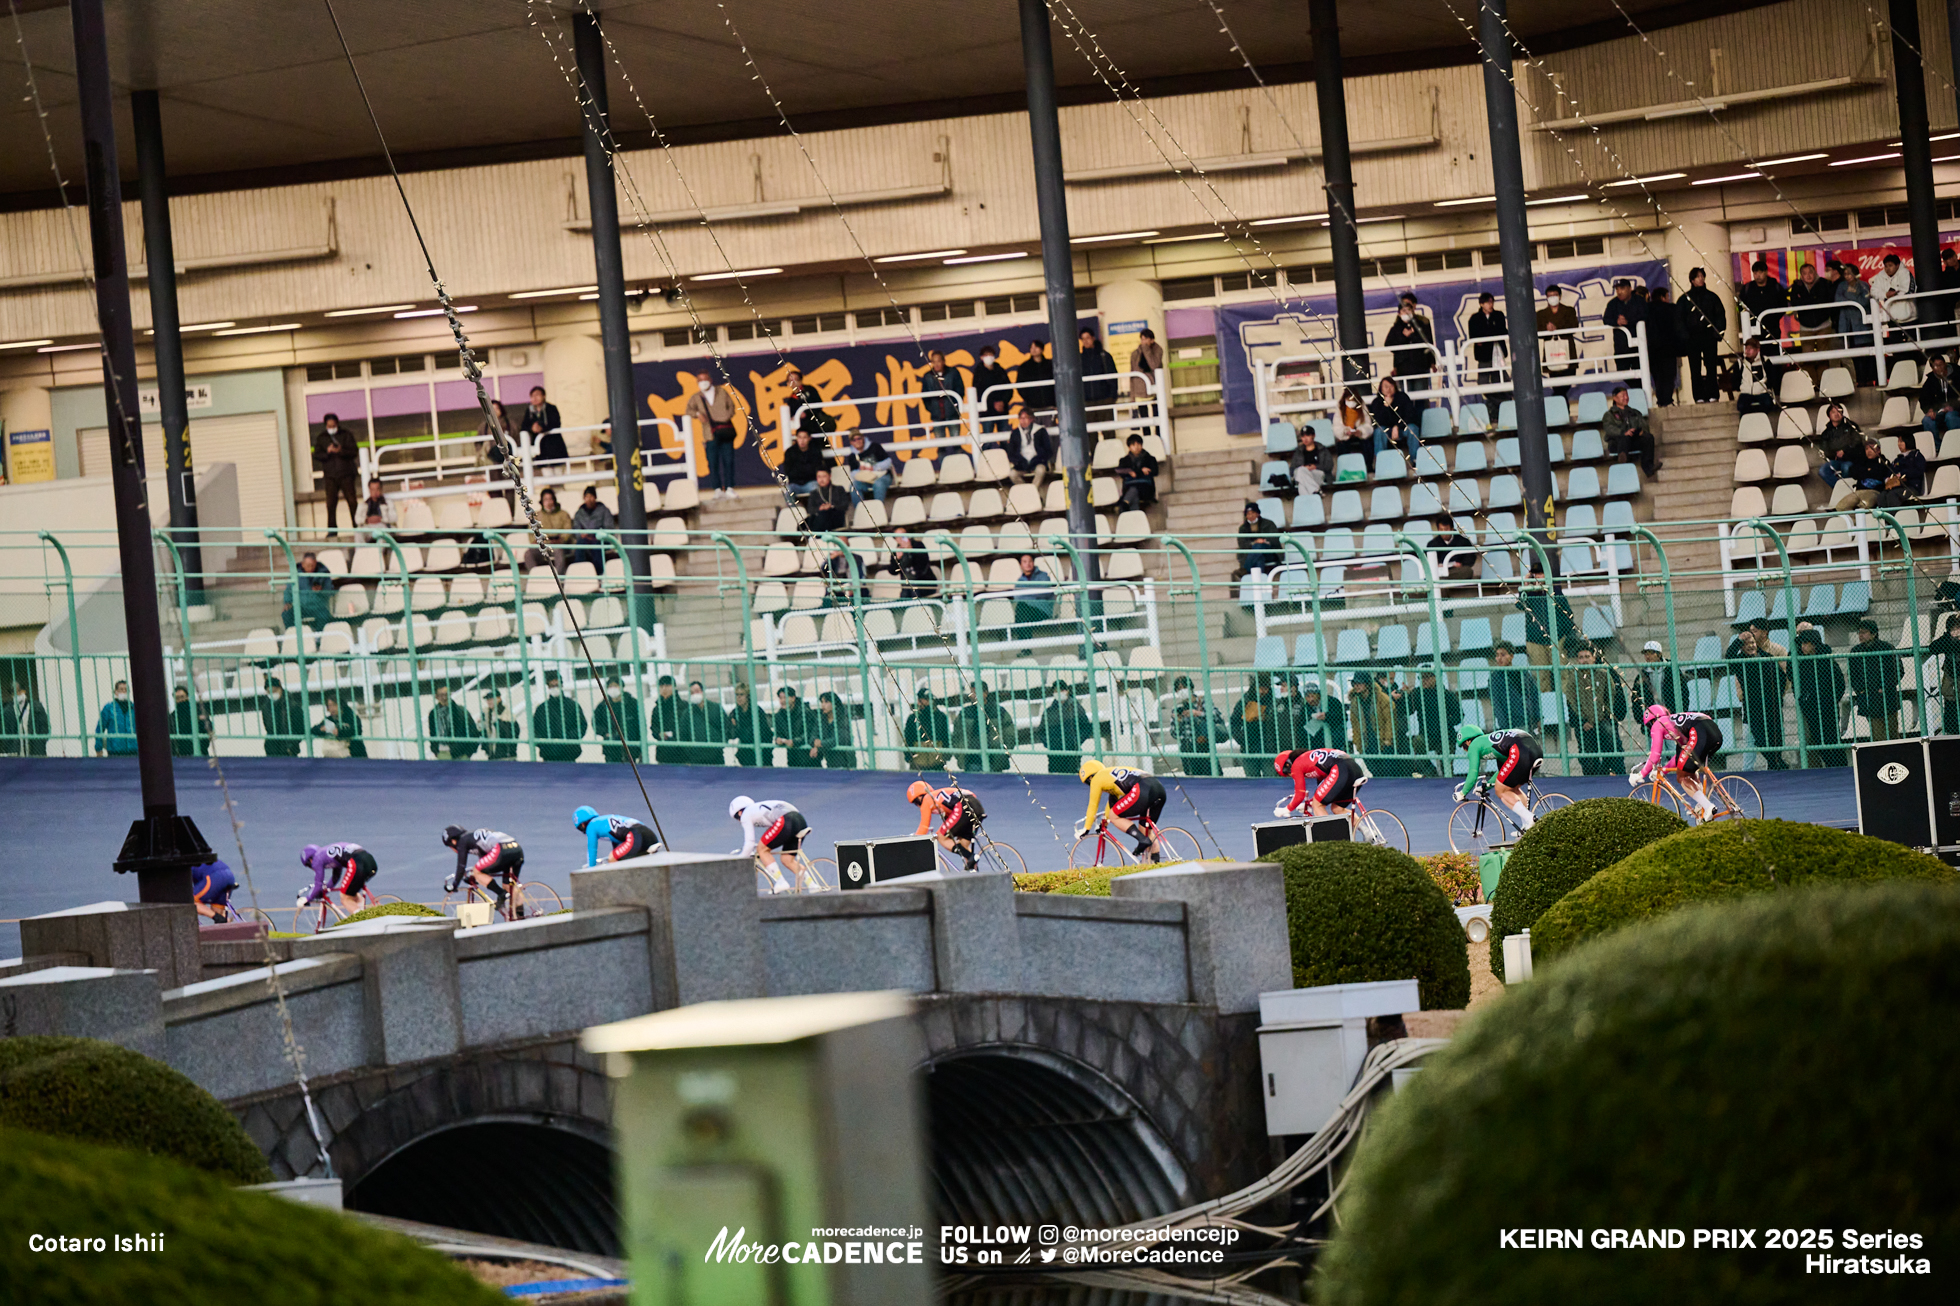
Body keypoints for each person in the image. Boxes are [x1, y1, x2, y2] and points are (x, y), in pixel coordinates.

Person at [1630, 705, 1723, 820]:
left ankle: (1708, 806)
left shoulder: (1658, 724)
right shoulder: (1674, 724)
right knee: (1686, 768)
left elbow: (1655, 755)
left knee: (1682, 777)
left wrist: (1640, 774)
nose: (1651, 729)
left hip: (1699, 731)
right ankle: (1701, 803)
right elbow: (1680, 756)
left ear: (1652, 721)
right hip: (1713, 731)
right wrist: (1664, 770)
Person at [1456, 723, 1543, 832]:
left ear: (1468, 742)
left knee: (1500, 791)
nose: (1465, 750)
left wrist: (1462, 793)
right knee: (1511, 788)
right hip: (1535, 750)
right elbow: (1503, 772)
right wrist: (1485, 788)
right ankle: (1527, 827)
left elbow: (1473, 773)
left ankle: (1529, 818)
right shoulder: (1494, 745)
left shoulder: (1474, 745)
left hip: (1519, 750)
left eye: (1463, 747)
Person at [1078, 759, 1168, 862]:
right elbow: (1112, 803)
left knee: (1114, 816)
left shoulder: (1096, 779)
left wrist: (1086, 827)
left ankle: (1142, 840)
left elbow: (1093, 804)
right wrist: (1105, 823)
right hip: (1158, 788)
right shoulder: (1109, 775)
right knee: (1146, 831)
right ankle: (1156, 864)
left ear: (1090, 778)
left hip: (1142, 789)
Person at [1727, 626, 1789, 769]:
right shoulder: (1740, 662)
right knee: (1760, 738)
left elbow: (1781, 677)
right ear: (1742, 648)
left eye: (1753, 643)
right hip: (1754, 707)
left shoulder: (1767, 657)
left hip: (1772, 704)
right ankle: (1776, 763)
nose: (1751, 646)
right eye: (1747, 644)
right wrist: (1739, 640)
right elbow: (1729, 656)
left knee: (1776, 737)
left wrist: (1779, 695)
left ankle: (1776, 763)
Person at [1561, 643, 1626, 776]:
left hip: (1603, 719)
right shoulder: (1574, 678)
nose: (1584, 660)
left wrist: (1597, 719)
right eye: (1580, 657)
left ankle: (1617, 776)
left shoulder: (1604, 674)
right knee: (1588, 757)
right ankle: (1591, 781)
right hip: (1583, 723)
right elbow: (1572, 703)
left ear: (1594, 658)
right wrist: (1584, 720)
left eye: (1587, 656)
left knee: (1612, 746)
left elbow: (1610, 699)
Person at [729, 795, 811, 894]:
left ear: (739, 812)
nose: (739, 821)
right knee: (787, 859)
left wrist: (741, 858)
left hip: (786, 820)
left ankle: (781, 882)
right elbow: (771, 832)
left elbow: (749, 842)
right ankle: (813, 885)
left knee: (762, 850)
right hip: (799, 820)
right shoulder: (757, 809)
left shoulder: (745, 814)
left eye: (737, 818)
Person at [1792, 627, 1848, 767]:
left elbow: (1839, 683)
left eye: (1805, 644)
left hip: (1827, 708)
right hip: (1811, 709)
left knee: (1831, 740)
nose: (1802, 647)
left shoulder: (1826, 661)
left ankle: (1840, 769)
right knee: (1818, 741)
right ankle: (1832, 768)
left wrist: (1830, 700)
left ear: (1814, 644)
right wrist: (1805, 700)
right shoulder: (1803, 662)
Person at [1273, 746, 1365, 826]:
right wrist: (1309, 803)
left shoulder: (1296, 765)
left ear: (1288, 766)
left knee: (1318, 805)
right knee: (1337, 809)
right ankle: (1368, 833)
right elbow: (1325, 789)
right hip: (1354, 768)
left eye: (1288, 774)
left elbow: (1300, 795)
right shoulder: (1308, 759)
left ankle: (1331, 839)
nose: (1291, 775)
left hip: (1341, 768)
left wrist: (1286, 809)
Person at [441, 826, 524, 913]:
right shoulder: (472, 837)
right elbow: (486, 862)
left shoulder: (462, 841)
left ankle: (501, 894)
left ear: (453, 841)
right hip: (516, 849)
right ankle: (520, 917)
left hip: (501, 849)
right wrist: (478, 877)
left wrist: (455, 885)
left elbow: (461, 866)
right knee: (509, 887)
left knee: (476, 871)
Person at [909, 779, 987, 871]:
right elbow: (951, 821)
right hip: (976, 806)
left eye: (916, 803)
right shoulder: (939, 797)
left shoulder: (927, 799)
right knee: (963, 845)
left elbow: (924, 826)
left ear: (919, 797)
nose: (918, 806)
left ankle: (971, 857)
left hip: (963, 806)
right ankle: (973, 873)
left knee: (941, 836)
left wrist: (914, 840)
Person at [687, 377, 743, 500]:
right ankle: (717, 489)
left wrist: (724, 417)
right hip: (709, 433)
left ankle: (729, 488)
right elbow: (688, 409)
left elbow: (732, 406)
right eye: (700, 380)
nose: (703, 382)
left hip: (725, 430)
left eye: (704, 379)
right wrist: (697, 414)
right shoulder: (697, 397)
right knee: (713, 462)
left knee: (728, 460)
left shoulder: (721, 392)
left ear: (710, 379)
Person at [1848, 618, 1902, 740]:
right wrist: (1861, 690)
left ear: (1873, 633)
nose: (1860, 635)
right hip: (1869, 698)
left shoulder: (1887, 648)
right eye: (1859, 632)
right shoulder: (1856, 651)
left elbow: (1898, 670)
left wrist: (1884, 687)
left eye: (1864, 632)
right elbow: (1853, 674)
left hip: (1887, 698)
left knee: (1892, 732)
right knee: (1878, 734)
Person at [1678, 267, 1727, 403]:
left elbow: (1720, 315)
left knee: (1711, 366)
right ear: (1692, 280)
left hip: (1709, 335)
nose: (1700, 279)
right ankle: (1698, 396)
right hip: (1692, 337)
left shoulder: (1712, 297)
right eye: (1697, 277)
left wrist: (1717, 333)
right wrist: (1685, 337)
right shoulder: (1684, 299)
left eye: (1702, 276)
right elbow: (1679, 319)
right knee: (1695, 368)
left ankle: (1713, 394)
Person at [298, 841, 379, 916]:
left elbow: (318, 884)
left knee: (344, 898)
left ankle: (362, 921)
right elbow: (335, 878)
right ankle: (366, 913)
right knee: (352, 893)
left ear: (310, 860)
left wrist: (307, 899)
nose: (312, 868)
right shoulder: (326, 854)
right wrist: (324, 890)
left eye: (308, 865)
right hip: (369, 860)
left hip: (356, 861)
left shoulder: (316, 859)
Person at [1784, 261, 1836, 375]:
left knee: (1824, 356)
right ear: (1801, 275)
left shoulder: (1824, 283)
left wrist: (1805, 301)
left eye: (1810, 272)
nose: (1808, 275)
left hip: (1824, 325)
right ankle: (1812, 385)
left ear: (1815, 272)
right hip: (1805, 327)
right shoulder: (1797, 286)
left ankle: (1824, 384)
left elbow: (1826, 300)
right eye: (1804, 273)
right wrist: (1813, 299)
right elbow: (1795, 302)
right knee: (1807, 358)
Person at [313, 413, 361, 533]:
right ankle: (332, 529)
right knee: (330, 503)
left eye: (333, 426)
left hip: (346, 474)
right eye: (329, 426)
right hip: (330, 476)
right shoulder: (322, 438)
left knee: (352, 501)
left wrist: (341, 451)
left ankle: (357, 527)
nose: (331, 428)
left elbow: (354, 451)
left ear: (337, 424)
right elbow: (317, 455)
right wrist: (327, 452)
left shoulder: (346, 435)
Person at [1169, 675, 1227, 775]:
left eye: (1184, 687)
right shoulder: (1177, 708)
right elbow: (1174, 734)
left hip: (1204, 745)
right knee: (1193, 779)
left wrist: (1197, 713)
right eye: (1179, 689)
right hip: (1187, 747)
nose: (1182, 690)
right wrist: (1177, 722)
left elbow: (1216, 716)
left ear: (1191, 688)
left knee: (1212, 775)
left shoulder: (1202, 702)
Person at [1601, 386, 1661, 478]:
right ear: (1615, 398)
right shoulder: (1609, 415)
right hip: (1616, 443)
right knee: (1624, 438)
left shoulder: (1635, 412)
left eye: (1626, 395)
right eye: (1622, 395)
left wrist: (1640, 431)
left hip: (1632, 440)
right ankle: (1622, 459)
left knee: (1648, 437)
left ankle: (1648, 468)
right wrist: (1623, 432)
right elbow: (1609, 428)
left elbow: (1643, 425)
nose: (1626, 397)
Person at [1407, 668, 1461, 769]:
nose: (1424, 680)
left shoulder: (1446, 694)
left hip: (1446, 735)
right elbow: (1408, 710)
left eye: (1427, 678)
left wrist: (1445, 722)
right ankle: (1431, 772)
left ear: (1435, 678)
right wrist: (1405, 697)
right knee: (1417, 742)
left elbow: (1459, 715)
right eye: (1422, 678)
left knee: (1447, 766)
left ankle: (1447, 776)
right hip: (1426, 735)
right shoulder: (1417, 693)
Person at [1231, 675, 1283, 778]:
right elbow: (1234, 722)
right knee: (1252, 781)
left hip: (1269, 748)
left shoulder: (1274, 703)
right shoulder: (1244, 702)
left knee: (1271, 779)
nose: (1262, 691)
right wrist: (1242, 739)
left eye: (1265, 688)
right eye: (1259, 688)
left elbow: (1281, 723)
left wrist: (1267, 718)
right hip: (1249, 748)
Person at [957, 681, 1016, 772]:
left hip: (995, 759)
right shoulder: (965, 713)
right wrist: (960, 754)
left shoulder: (998, 711)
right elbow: (956, 735)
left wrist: (1004, 753)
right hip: (971, 759)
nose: (973, 695)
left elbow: (1010, 734)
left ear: (985, 693)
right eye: (971, 692)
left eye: (976, 692)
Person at [574, 805, 660, 866]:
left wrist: (590, 870)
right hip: (647, 835)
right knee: (617, 857)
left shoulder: (591, 827)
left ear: (582, 825)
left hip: (635, 836)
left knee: (612, 858)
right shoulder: (603, 821)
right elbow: (617, 843)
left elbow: (592, 850)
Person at [1038, 680, 1094, 774]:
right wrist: (1049, 744)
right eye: (1056, 691)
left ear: (1066, 691)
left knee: (1072, 779)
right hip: (1055, 753)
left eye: (1061, 690)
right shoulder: (1049, 711)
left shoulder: (1076, 709)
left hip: (1072, 753)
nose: (1058, 693)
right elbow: (1041, 731)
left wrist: (1076, 741)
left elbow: (1086, 728)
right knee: (1055, 780)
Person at [1835, 259, 1876, 386]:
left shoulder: (1863, 285)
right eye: (1845, 273)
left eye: (1849, 273)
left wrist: (1849, 297)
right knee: (1855, 357)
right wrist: (1852, 296)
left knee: (1868, 356)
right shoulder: (1841, 286)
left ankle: (1870, 380)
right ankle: (1859, 381)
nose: (1847, 276)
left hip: (1863, 326)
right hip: (1848, 326)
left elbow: (1864, 302)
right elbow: (1838, 300)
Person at [531, 670, 587, 762]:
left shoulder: (572, 706)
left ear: (562, 685)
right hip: (548, 754)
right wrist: (545, 744)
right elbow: (535, 730)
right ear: (548, 687)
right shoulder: (541, 709)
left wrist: (568, 739)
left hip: (569, 753)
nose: (555, 688)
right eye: (552, 686)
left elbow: (581, 726)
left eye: (557, 685)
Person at [1843, 437, 1913, 510]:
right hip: (1858, 491)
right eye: (1866, 449)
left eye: (1871, 448)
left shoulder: (1884, 462)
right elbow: (1853, 473)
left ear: (1878, 450)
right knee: (1841, 507)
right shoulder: (1862, 461)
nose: (1869, 451)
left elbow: (1880, 474)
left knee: (1863, 506)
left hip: (1874, 492)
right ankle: (1855, 521)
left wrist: (1864, 472)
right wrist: (1869, 471)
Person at [1383, 298, 1436, 393]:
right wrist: (1403, 337)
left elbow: (1427, 342)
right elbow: (1388, 344)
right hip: (1403, 369)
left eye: (1409, 310)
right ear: (1399, 313)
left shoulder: (1421, 325)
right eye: (1404, 311)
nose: (1407, 313)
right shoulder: (1396, 328)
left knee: (1421, 396)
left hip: (1420, 367)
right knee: (1406, 396)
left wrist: (1412, 336)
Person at [1737, 259, 1788, 354]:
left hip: (1772, 329)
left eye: (1760, 272)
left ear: (1766, 272)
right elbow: (1740, 306)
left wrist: (1773, 318)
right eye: (1755, 273)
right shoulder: (1747, 289)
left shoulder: (1775, 287)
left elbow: (1783, 305)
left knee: (1773, 355)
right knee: (1755, 355)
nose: (1758, 276)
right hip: (1753, 329)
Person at [1488, 642, 1540, 732]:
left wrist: (1538, 718)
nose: (1499, 658)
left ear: (1511, 656)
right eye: (1497, 655)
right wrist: (1505, 727)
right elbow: (1496, 704)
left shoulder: (1522, 674)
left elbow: (1534, 695)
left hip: (1528, 721)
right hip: (1511, 724)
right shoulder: (1494, 678)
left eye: (1503, 655)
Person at [1367, 377, 1420, 465]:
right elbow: (1378, 421)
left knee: (1412, 429)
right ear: (1381, 388)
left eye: (1391, 386)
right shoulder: (1377, 402)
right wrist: (1387, 407)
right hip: (1387, 430)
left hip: (1402, 428)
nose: (1389, 389)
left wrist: (1397, 426)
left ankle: (1415, 460)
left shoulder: (1403, 397)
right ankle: (1381, 462)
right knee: (1379, 431)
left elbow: (1410, 416)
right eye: (1386, 386)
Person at [1599, 279, 1647, 373]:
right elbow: (1606, 319)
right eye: (1617, 289)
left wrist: (1628, 320)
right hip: (1621, 347)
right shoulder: (1613, 303)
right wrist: (1616, 321)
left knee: (1641, 373)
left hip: (1638, 346)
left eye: (1622, 288)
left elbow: (1645, 315)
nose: (1619, 292)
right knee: (1622, 373)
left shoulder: (1639, 301)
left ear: (1630, 289)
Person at [1629, 640, 1682, 723]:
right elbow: (1636, 697)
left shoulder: (1671, 670)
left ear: (1659, 654)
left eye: (1651, 653)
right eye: (1646, 653)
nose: (1648, 656)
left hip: (1671, 715)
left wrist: (1675, 710)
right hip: (1653, 717)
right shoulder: (1643, 674)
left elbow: (1683, 691)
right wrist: (1641, 718)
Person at [594, 675, 643, 764]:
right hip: (611, 749)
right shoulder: (603, 705)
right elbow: (595, 723)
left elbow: (640, 725)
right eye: (610, 687)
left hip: (630, 747)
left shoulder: (632, 703)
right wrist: (605, 733)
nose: (613, 689)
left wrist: (641, 748)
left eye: (615, 686)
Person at [678, 679, 728, 765]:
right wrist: (690, 751)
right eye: (692, 693)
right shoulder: (687, 713)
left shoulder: (715, 708)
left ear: (702, 691)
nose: (694, 694)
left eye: (697, 691)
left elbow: (726, 728)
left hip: (716, 756)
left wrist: (719, 745)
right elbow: (683, 734)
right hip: (696, 758)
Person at [523, 489, 574, 573]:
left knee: (558, 551)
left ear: (554, 500)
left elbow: (568, 530)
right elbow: (531, 532)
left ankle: (559, 579)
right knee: (528, 554)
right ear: (542, 502)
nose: (548, 502)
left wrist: (561, 539)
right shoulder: (536, 516)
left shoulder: (563, 514)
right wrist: (536, 541)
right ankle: (535, 578)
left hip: (558, 544)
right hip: (542, 545)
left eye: (550, 499)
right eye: (546, 500)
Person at [1646, 287, 1681, 406]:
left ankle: (1661, 400)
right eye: (1667, 296)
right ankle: (1667, 400)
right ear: (1662, 297)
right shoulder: (1671, 309)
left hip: (1652, 348)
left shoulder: (1647, 309)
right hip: (1669, 347)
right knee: (1669, 375)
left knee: (1657, 376)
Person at [773, 686, 823, 767]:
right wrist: (778, 739)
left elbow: (810, 733)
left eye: (785, 698)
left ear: (793, 698)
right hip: (792, 756)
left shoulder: (806, 712)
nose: (782, 701)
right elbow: (779, 732)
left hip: (809, 756)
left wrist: (795, 741)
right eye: (780, 698)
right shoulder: (779, 716)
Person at [1870, 252, 1916, 341]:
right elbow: (1873, 291)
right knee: (1895, 345)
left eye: (1890, 265)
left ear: (1897, 265)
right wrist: (1885, 294)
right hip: (1892, 318)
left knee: (1913, 347)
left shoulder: (1905, 273)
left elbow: (1908, 291)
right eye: (1886, 266)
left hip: (1909, 319)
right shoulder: (1881, 275)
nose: (1887, 268)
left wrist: (1892, 295)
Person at [1536, 285, 1580, 377]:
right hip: (1551, 351)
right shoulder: (1541, 314)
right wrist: (1546, 329)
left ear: (1560, 296)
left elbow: (1574, 326)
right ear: (1547, 298)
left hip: (1567, 349)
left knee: (1570, 377)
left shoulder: (1569, 311)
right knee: (1555, 380)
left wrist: (1556, 328)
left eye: (1555, 295)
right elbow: (1537, 331)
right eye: (1550, 296)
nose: (1552, 298)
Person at [427, 684, 480, 760]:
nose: (444, 697)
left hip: (462, 753)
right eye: (441, 695)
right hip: (442, 753)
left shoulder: (461, 712)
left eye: (446, 694)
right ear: (436, 697)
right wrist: (435, 750)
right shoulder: (433, 714)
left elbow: (473, 732)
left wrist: (468, 752)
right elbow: (432, 733)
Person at [903, 687, 952, 770]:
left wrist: (946, 755)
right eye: (925, 699)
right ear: (919, 701)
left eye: (929, 699)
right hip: (918, 761)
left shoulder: (941, 717)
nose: (929, 702)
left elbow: (946, 737)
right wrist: (909, 756)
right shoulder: (913, 718)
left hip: (937, 762)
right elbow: (908, 739)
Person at [1466, 292, 1508, 386]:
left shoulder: (1498, 315)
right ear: (1481, 304)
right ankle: (1493, 400)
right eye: (1488, 303)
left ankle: (1503, 398)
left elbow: (1502, 331)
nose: (1490, 305)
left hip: (1497, 352)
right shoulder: (1475, 318)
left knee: (1501, 379)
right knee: (1483, 382)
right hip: (1483, 355)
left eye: (1492, 302)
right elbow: (1474, 335)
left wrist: (1487, 335)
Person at [840, 429, 894, 502]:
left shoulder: (875, 447)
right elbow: (853, 473)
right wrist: (860, 470)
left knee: (878, 484)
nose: (857, 441)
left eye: (859, 438)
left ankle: (878, 509)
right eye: (854, 440)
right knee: (854, 486)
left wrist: (874, 467)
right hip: (865, 479)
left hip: (882, 476)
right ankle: (860, 510)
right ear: (851, 442)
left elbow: (888, 462)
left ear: (863, 438)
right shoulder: (852, 456)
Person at [570, 486, 615, 573]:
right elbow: (576, 529)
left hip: (600, 539)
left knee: (597, 547)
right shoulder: (579, 513)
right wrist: (581, 534)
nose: (589, 499)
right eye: (587, 497)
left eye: (591, 496)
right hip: (585, 539)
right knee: (579, 546)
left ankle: (600, 574)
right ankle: (580, 573)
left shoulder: (604, 511)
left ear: (595, 497)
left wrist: (597, 535)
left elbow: (609, 528)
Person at [1004, 408, 1054, 487]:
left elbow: (1048, 450)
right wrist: (1019, 461)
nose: (1023, 421)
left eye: (1025, 418)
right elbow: (1011, 452)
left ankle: (1033, 491)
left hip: (1037, 461)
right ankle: (1028, 491)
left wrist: (1037, 460)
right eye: (1021, 418)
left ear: (1031, 419)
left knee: (1040, 470)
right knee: (1012, 474)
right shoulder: (1015, 433)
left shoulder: (1040, 431)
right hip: (1021, 463)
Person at [282, 551, 332, 630]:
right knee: (286, 614)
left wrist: (321, 591)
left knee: (324, 615)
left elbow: (330, 590)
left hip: (318, 606)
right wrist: (287, 602)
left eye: (312, 565)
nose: (310, 568)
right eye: (308, 565)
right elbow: (289, 589)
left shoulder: (323, 573)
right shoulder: (295, 574)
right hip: (301, 607)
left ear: (316, 563)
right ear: (303, 564)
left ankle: (319, 638)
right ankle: (294, 635)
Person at [782, 365, 835, 440]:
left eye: (795, 380)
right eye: (790, 381)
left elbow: (819, 404)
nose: (793, 383)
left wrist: (806, 413)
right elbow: (791, 416)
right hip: (804, 432)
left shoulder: (810, 390)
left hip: (817, 426)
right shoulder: (791, 400)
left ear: (800, 380)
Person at [1078, 330, 1118, 423]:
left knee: (1109, 432)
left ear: (1093, 338)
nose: (1085, 341)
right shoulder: (1079, 359)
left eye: (1087, 338)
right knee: (1090, 434)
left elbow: (1113, 376)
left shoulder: (1104, 356)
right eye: (1083, 339)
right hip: (1087, 401)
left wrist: (1112, 396)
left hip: (1105, 399)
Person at [1929, 612, 1960, 735]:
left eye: (1958, 629)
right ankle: (1952, 729)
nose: (1956, 632)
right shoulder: (1947, 640)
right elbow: (1934, 647)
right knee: (1949, 697)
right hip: (1951, 673)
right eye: (1953, 630)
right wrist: (1949, 638)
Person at [1128, 328, 1165, 427]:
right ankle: (1146, 439)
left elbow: (1154, 365)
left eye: (1146, 339)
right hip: (1139, 391)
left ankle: (1158, 437)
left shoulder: (1158, 350)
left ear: (1152, 340)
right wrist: (1132, 396)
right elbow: (1132, 374)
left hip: (1154, 390)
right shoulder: (1135, 354)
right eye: (1142, 339)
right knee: (1144, 421)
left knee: (1158, 418)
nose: (1143, 342)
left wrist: (1146, 350)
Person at [312, 692, 366, 758]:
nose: (332, 709)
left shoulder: (351, 717)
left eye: (334, 705)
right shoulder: (329, 719)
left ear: (340, 705)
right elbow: (313, 730)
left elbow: (356, 730)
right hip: (334, 754)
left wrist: (339, 732)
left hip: (354, 753)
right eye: (329, 706)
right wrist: (321, 729)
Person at [260, 676, 304, 757]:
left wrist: (293, 744)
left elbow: (300, 728)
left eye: (274, 691)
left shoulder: (293, 706)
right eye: (269, 692)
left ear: (280, 689)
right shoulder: (266, 707)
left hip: (289, 748)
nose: (272, 694)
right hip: (272, 748)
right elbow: (268, 727)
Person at [890, 524, 937, 599]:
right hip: (907, 585)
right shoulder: (896, 551)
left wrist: (911, 551)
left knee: (914, 591)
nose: (902, 538)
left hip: (923, 583)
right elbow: (892, 571)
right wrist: (897, 559)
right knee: (905, 594)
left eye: (903, 535)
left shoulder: (918, 545)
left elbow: (924, 562)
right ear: (896, 539)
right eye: (898, 537)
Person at [972, 348, 1013, 433]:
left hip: (1002, 411)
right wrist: (992, 404)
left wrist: (1003, 402)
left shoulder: (1000, 370)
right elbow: (977, 393)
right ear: (981, 357)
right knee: (987, 441)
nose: (989, 357)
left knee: (1004, 439)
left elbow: (1009, 389)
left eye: (990, 355)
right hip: (986, 413)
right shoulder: (978, 373)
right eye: (986, 355)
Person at [1011, 552, 1054, 633]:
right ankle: (1025, 641)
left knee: (1022, 612)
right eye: (1024, 562)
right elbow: (1018, 598)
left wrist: (1027, 593)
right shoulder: (1019, 582)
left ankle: (1022, 643)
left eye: (1030, 561)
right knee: (1022, 609)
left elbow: (1044, 593)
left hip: (1042, 610)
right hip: (1026, 611)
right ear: (1020, 565)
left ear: (1033, 563)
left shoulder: (1043, 576)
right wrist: (1035, 592)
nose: (1028, 564)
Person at [4, 682, 51, 756]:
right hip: (16, 753)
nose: (17, 695)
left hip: (36, 750)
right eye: (14, 693)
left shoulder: (37, 707)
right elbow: (6, 732)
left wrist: (40, 743)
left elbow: (45, 727)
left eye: (19, 691)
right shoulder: (7, 711)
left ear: (24, 691)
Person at [727, 681, 767, 765]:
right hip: (745, 752)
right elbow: (731, 735)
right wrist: (733, 727)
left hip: (761, 751)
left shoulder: (757, 711)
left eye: (741, 694)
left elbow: (764, 732)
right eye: (737, 695)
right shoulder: (735, 713)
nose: (738, 697)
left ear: (747, 696)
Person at [1114, 434, 1158, 509]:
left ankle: (1125, 503)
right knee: (1134, 495)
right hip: (1129, 487)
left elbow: (1155, 471)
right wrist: (1140, 471)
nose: (1136, 447)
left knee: (1134, 489)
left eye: (1138, 444)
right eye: (1133, 445)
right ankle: (1127, 504)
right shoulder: (1124, 460)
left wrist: (1135, 472)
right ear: (1129, 447)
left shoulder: (1150, 459)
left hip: (1145, 488)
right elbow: (1120, 471)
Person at [1288, 424, 1333, 495]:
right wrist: (1304, 468)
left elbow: (1329, 466)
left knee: (1301, 484)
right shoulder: (1298, 451)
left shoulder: (1322, 449)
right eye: (1303, 436)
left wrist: (1315, 467)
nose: (1305, 439)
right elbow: (1292, 469)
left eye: (1308, 435)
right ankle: (1316, 491)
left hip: (1317, 473)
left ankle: (1307, 503)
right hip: (1302, 474)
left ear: (1313, 436)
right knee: (1300, 472)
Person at [1920, 355, 1960, 435]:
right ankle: (1937, 446)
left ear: (1945, 364)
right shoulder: (1931, 380)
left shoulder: (1957, 374)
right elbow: (1923, 399)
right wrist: (1929, 410)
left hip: (1956, 409)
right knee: (1927, 420)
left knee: (1950, 417)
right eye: (1936, 366)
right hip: (1939, 411)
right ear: (1932, 369)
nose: (1939, 367)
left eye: (1941, 364)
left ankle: (1956, 442)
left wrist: (1952, 406)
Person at [1331, 388, 1373, 465]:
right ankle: (1345, 466)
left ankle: (1368, 467)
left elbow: (1368, 425)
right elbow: (1336, 427)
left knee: (1367, 443)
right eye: (1348, 399)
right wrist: (1345, 431)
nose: (1350, 402)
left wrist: (1361, 431)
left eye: (1353, 400)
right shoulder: (1340, 409)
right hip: (1346, 435)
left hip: (1359, 435)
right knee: (1342, 445)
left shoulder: (1362, 408)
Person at [780, 428, 826, 497]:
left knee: (816, 488)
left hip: (811, 482)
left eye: (805, 437)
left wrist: (800, 470)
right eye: (800, 437)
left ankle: (815, 507)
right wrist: (806, 470)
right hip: (795, 484)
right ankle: (792, 508)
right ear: (796, 438)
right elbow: (788, 471)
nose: (802, 441)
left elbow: (817, 469)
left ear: (809, 438)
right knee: (788, 490)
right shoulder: (790, 452)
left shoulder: (815, 451)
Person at [815, 691, 855, 769]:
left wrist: (821, 743)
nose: (823, 705)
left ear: (834, 704)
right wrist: (815, 742)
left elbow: (841, 738)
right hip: (830, 760)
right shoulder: (822, 719)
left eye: (826, 702)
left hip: (845, 760)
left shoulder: (843, 718)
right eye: (822, 702)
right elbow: (814, 733)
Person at [170, 685, 213, 757]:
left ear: (187, 697)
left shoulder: (198, 711)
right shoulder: (172, 717)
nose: (181, 700)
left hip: (201, 751)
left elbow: (208, 728)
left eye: (182, 697)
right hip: (182, 754)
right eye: (177, 698)